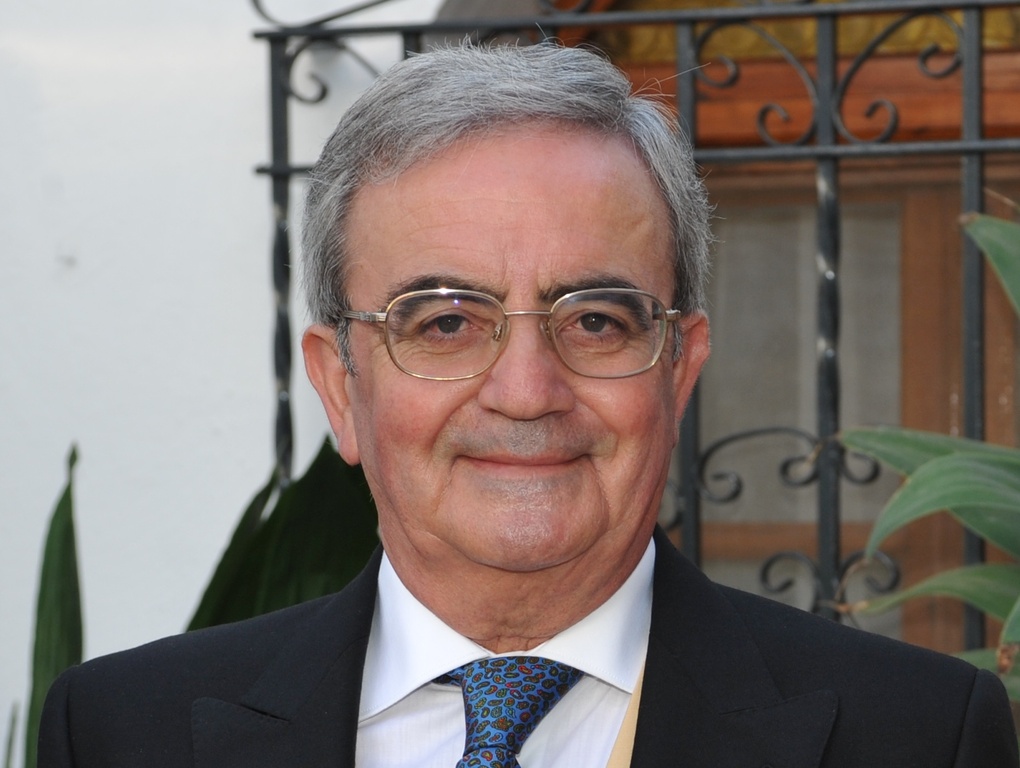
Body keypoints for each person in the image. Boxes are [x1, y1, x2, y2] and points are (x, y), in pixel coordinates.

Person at [40, 43, 1017, 768]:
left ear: (679, 371)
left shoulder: (919, 737)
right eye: (444, 322)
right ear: (340, 385)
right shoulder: (126, 733)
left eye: (594, 320)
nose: (525, 392)